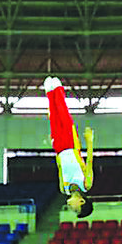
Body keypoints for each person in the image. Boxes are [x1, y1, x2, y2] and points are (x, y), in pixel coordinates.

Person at [44, 76, 94, 219]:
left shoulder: (63, 189)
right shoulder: (86, 184)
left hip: (59, 148)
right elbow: (89, 161)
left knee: (53, 116)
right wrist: (89, 140)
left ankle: (49, 92)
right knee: (62, 113)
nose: (71, 209)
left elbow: (60, 167)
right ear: (82, 201)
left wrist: (55, 147)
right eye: (76, 210)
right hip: (72, 145)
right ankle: (58, 89)